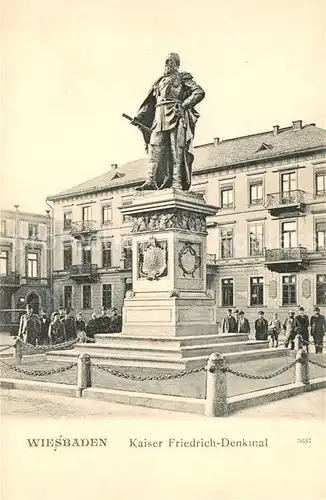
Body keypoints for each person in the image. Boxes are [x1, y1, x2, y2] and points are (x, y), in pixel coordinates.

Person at [133, 52, 205, 191]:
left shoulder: (182, 77)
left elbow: (199, 92)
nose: (167, 63)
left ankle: (177, 182)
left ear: (177, 64)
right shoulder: (158, 82)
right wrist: (141, 116)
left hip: (175, 115)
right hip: (159, 118)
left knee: (176, 150)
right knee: (155, 149)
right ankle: (151, 181)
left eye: (171, 61)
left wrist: (184, 105)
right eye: (166, 61)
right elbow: (151, 103)